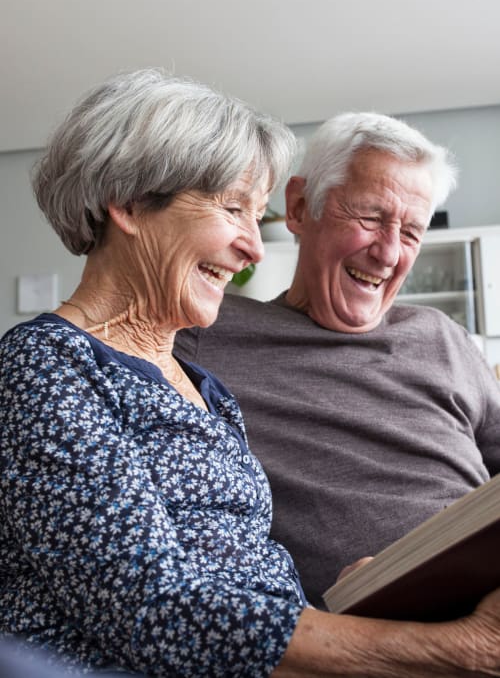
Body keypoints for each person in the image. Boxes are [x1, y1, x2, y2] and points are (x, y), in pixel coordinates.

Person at [1, 73, 499, 678]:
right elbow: (155, 608)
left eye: (252, 213)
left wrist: (366, 600)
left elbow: (250, 576)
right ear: (129, 204)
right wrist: (458, 651)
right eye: (233, 208)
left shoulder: (201, 388)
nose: (255, 248)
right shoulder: (47, 366)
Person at [175, 112, 500, 610]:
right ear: (301, 208)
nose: (389, 253)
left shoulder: (442, 337)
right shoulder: (205, 332)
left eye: (412, 232)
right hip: (363, 626)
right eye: (371, 217)